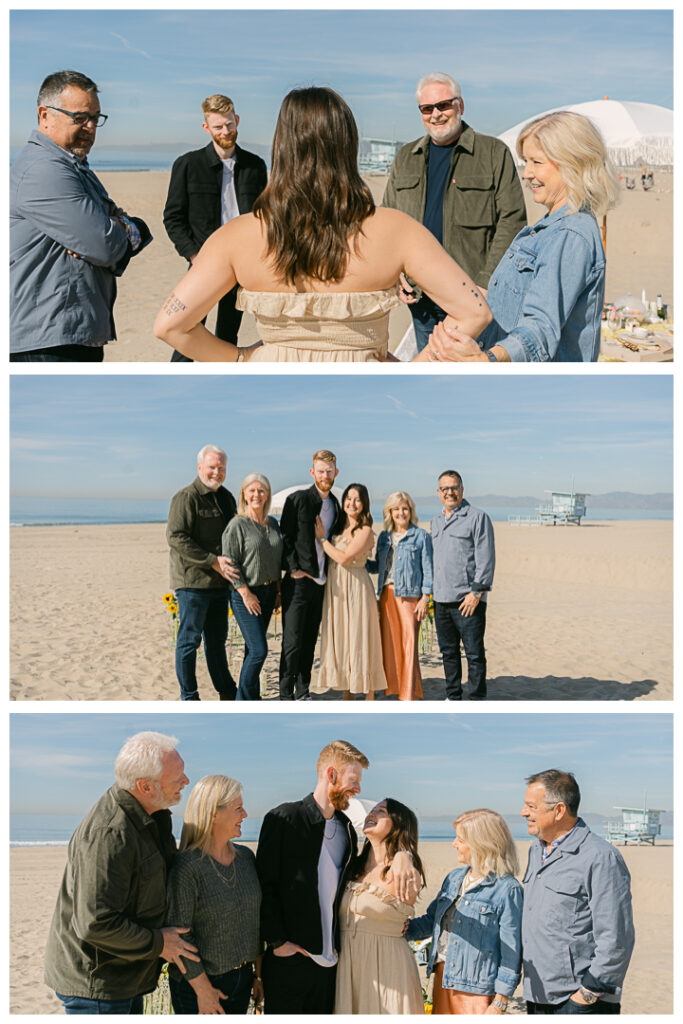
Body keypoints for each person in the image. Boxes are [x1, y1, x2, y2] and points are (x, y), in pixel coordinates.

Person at [154, 86, 492, 362]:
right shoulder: (397, 229)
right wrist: (417, 368)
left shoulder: (237, 235)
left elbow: (170, 327)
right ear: (348, 144)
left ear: (282, 148)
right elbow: (475, 313)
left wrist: (240, 358)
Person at [427, 111, 621, 363]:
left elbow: (540, 329)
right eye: (525, 162)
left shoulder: (570, 234)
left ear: (573, 163)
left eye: (536, 162)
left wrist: (486, 361)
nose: (527, 173)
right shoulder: (551, 226)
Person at [255, 740, 420, 1015]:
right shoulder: (284, 818)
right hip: (290, 963)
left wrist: (404, 853)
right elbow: (264, 886)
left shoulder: (345, 828)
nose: (358, 789)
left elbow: (362, 876)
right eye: (353, 780)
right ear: (331, 774)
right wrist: (278, 943)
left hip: (332, 968)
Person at [44, 732, 197, 1014]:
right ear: (145, 786)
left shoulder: (153, 812)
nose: (186, 782)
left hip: (124, 978)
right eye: (178, 777)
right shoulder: (110, 834)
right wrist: (159, 943)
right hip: (98, 984)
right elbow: (95, 922)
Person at [11, 70, 151, 362]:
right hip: (45, 341)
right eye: (80, 117)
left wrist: (126, 228)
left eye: (96, 118)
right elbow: (105, 246)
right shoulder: (44, 170)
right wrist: (117, 230)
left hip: (74, 332)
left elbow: (113, 231)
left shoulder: (75, 166)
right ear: (45, 115)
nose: (90, 127)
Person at [383, 71, 526, 352]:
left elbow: (512, 221)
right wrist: (395, 275)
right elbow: (388, 222)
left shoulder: (493, 153)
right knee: (433, 369)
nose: (436, 114)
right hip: (422, 296)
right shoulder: (405, 158)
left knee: (472, 367)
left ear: (460, 106)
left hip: (472, 296)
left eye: (443, 105)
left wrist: (486, 284)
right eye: (427, 108)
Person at [521, 770, 635, 1014]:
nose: (524, 813)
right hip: (538, 995)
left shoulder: (601, 857)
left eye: (531, 806)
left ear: (559, 810)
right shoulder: (535, 850)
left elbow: (617, 938)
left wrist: (586, 994)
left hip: (578, 1001)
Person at [163, 94, 267, 360]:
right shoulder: (187, 165)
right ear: (206, 127)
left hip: (242, 264)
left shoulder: (256, 166)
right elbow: (173, 217)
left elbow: (265, 217)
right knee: (185, 331)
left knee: (227, 337)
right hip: (202, 263)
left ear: (237, 121)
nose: (225, 131)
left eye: (229, 124)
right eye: (218, 126)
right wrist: (194, 256)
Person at [406, 808, 522, 1014]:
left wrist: (500, 1001)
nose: (454, 844)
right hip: (442, 978)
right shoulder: (454, 878)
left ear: (481, 843)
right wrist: (397, 927)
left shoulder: (507, 888)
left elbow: (511, 952)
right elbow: (431, 921)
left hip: (476, 991)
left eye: (460, 839)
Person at [165, 775, 263, 1014]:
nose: (245, 815)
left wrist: (258, 975)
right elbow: (180, 937)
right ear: (213, 814)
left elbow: (256, 922)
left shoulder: (246, 858)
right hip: (198, 988)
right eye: (238, 808)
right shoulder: (187, 867)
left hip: (243, 980)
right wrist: (203, 991)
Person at [335, 799, 426, 1014]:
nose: (372, 814)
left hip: (388, 965)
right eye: (372, 810)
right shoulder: (350, 866)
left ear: (398, 825)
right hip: (347, 967)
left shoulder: (406, 872)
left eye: (381, 811)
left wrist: (405, 854)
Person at [167, 445, 239, 701]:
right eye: (212, 467)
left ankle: (228, 694)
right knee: (188, 643)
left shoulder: (228, 498)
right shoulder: (186, 497)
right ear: (199, 468)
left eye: (221, 468)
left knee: (217, 645)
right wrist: (212, 561)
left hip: (220, 585)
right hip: (192, 584)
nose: (216, 472)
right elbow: (175, 537)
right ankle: (189, 696)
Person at [312, 483, 387, 700]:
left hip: (356, 587)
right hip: (336, 588)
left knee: (361, 636)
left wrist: (322, 539)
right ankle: (348, 689)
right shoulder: (336, 527)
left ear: (364, 505)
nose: (351, 503)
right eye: (348, 498)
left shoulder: (365, 531)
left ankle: (370, 691)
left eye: (357, 499)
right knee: (343, 637)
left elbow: (344, 558)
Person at [278, 450, 341, 701]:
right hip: (298, 583)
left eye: (329, 471)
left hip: (321, 583)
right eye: (321, 471)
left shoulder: (336, 504)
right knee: (292, 642)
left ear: (336, 473)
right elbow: (285, 536)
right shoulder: (298, 499)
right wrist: (294, 569)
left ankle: (303, 691)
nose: (325, 475)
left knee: (309, 642)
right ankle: (285, 694)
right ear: (312, 472)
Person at [431, 471, 495, 701]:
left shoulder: (478, 517)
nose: (450, 492)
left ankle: (476, 699)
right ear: (439, 493)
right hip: (440, 601)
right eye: (445, 488)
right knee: (448, 654)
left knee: (474, 654)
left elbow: (486, 558)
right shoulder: (436, 521)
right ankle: (453, 696)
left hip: (467, 601)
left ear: (462, 490)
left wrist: (476, 593)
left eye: (454, 487)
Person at [221, 473, 283, 700]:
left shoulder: (273, 524)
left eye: (262, 491)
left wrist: (278, 591)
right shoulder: (237, 524)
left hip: (269, 593)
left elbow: (277, 561)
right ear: (244, 495)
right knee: (259, 650)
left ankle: (252, 699)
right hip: (245, 594)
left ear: (267, 495)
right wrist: (245, 593)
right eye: (252, 490)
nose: (257, 495)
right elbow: (229, 563)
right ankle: (242, 700)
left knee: (251, 650)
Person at [370, 491, 433, 700]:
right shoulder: (384, 537)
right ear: (390, 512)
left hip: (410, 597)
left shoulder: (421, 536)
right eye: (396, 509)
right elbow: (377, 566)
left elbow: (428, 569)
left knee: (409, 645)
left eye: (404, 508)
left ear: (411, 511)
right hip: (386, 596)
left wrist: (425, 598)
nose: (401, 512)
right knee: (390, 646)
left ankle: (408, 694)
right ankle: (395, 690)